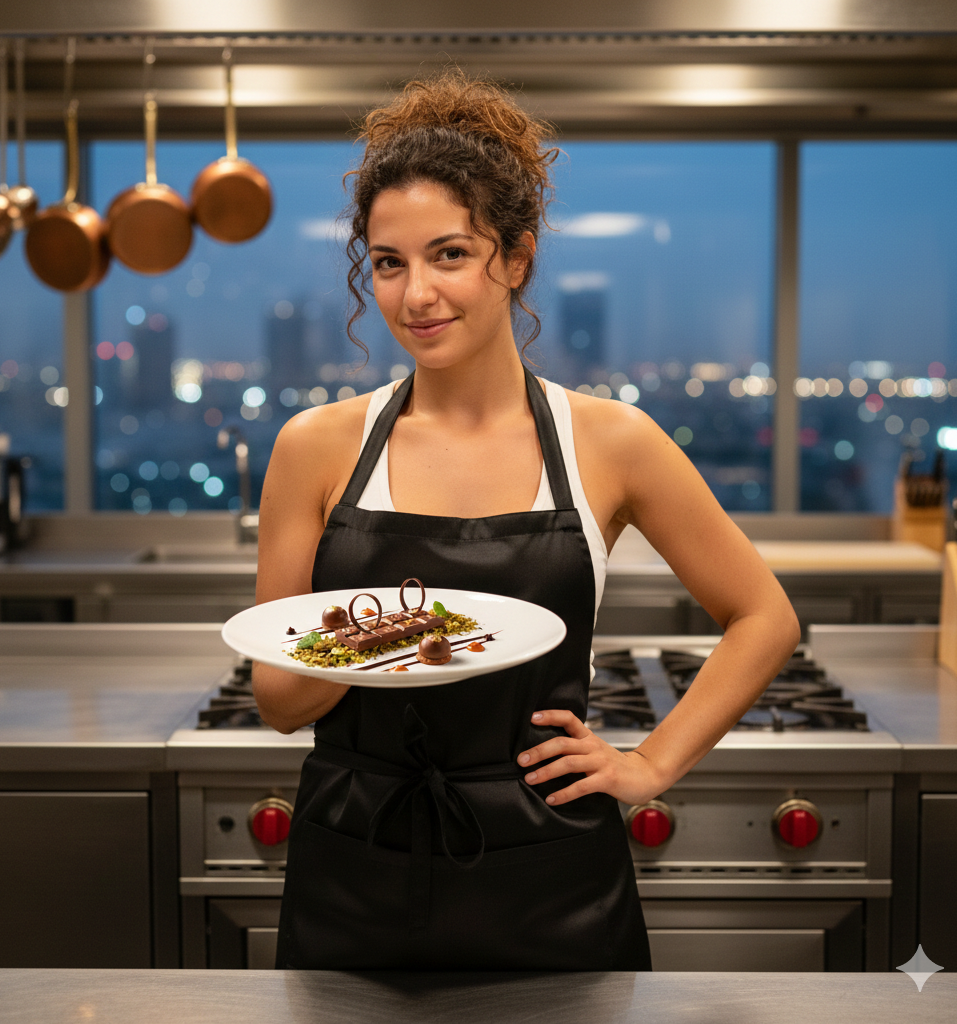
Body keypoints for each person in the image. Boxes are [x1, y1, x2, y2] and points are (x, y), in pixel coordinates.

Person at [253, 71, 801, 971]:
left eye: (450, 255)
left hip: (550, 869)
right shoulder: (315, 447)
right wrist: (395, 637)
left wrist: (651, 766)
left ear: (517, 259)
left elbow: (764, 617)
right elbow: (279, 701)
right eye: (388, 263)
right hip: (352, 863)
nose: (416, 294)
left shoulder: (611, 441)